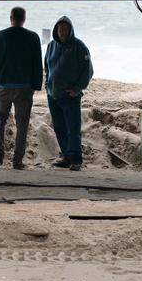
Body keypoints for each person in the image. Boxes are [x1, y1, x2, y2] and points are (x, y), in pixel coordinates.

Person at [0, 6, 43, 170]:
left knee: (0, 121)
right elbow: (37, 64)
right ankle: (17, 161)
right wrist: (35, 85)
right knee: (22, 124)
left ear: (11, 18)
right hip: (24, 87)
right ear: (24, 19)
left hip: (4, 86)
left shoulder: (0, 36)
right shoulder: (33, 37)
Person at [44, 15, 92, 171]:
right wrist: (47, 85)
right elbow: (47, 67)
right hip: (53, 95)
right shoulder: (51, 46)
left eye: (65, 29)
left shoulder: (79, 46)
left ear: (70, 30)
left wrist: (77, 89)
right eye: (60, 29)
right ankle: (66, 156)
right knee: (59, 128)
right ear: (56, 30)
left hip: (70, 96)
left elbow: (88, 71)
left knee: (73, 129)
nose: (62, 32)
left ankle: (76, 160)